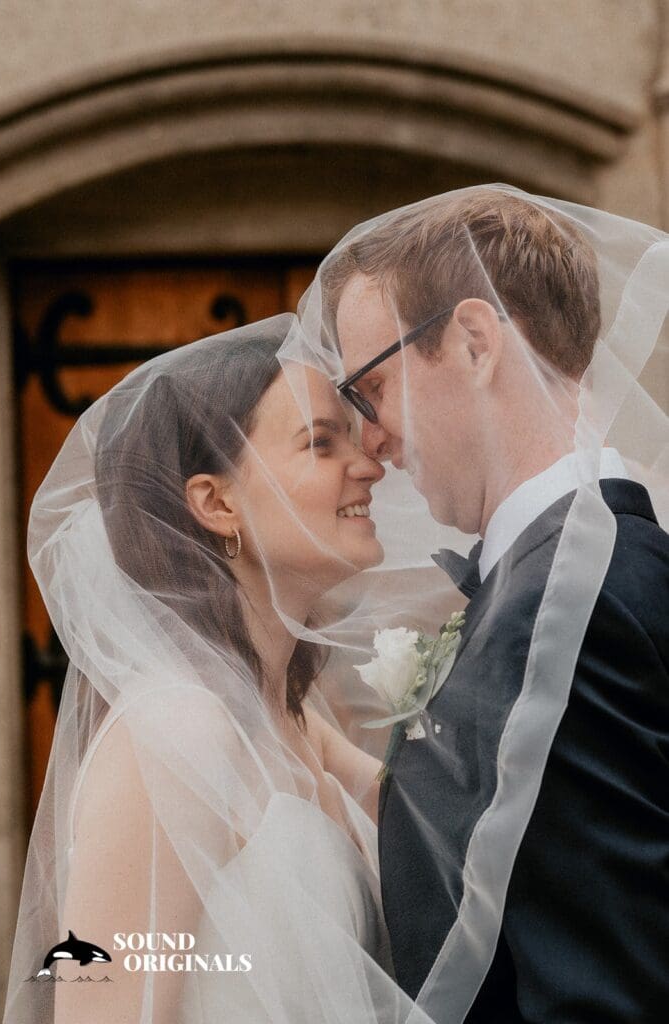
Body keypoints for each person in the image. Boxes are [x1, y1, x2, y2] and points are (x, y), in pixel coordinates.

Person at [286, 185, 669, 1022]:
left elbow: (604, 989)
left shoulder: (576, 606)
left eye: (370, 389)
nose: (372, 443)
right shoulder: (560, 576)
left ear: (472, 341)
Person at [3, 314, 447, 1024]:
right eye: (320, 442)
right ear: (215, 503)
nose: (368, 462)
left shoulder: (294, 717)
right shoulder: (173, 735)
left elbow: (448, 832)